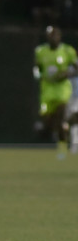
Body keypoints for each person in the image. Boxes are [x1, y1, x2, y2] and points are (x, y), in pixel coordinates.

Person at [33, 25, 78, 160]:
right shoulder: (41, 51)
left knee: (61, 111)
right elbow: (36, 68)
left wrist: (67, 73)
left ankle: (62, 148)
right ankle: (51, 130)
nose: (53, 38)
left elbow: (77, 69)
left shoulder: (67, 51)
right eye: (50, 35)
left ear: (59, 36)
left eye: (55, 35)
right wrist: (38, 76)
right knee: (47, 122)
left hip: (62, 89)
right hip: (47, 90)